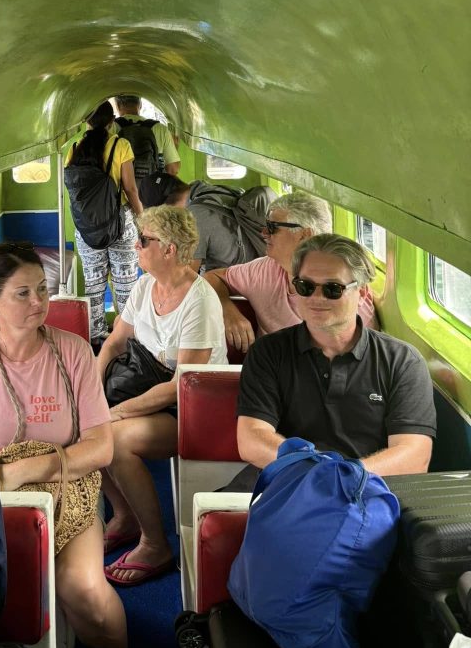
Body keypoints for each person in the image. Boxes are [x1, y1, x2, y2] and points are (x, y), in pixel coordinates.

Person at [0, 243, 149, 648]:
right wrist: (3, 481)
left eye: (43, 290)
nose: (38, 302)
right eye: (22, 293)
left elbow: (101, 447)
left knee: (85, 591)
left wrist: (36, 467)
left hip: (70, 490)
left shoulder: (73, 352)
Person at [97, 207, 227, 586]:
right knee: (83, 423)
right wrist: (92, 393)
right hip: (151, 391)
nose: (135, 246)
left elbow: (179, 385)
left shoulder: (199, 301)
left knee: (114, 439)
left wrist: (116, 412)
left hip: (195, 407)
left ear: (169, 249)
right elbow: (114, 343)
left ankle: (155, 544)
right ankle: (125, 516)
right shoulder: (143, 288)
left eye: (143, 240)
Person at [237, 234, 436, 473]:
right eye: (306, 286)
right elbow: (252, 439)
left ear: (362, 292)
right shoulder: (268, 352)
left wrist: (346, 475)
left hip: (367, 486)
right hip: (287, 481)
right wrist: (319, 471)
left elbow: (414, 455)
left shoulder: (402, 361)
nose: (316, 298)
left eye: (333, 289)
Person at [203, 191, 379, 353]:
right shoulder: (266, 269)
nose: (264, 233)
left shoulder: (348, 296)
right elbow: (213, 277)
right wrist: (228, 311)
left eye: (272, 227)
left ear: (304, 235)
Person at [65, 100, 143, 349]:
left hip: (87, 226)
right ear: (112, 122)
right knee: (125, 285)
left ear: (87, 122)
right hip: (119, 223)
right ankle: (125, 339)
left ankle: (96, 339)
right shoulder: (121, 145)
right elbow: (130, 189)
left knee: (93, 284)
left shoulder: (74, 147)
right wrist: (142, 219)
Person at [139, 172, 275, 272]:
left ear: (165, 209)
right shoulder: (206, 190)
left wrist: (151, 265)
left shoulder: (193, 218)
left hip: (249, 272)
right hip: (259, 259)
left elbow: (186, 278)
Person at [113, 94, 181, 176]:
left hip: (120, 183)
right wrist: (175, 147)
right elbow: (173, 170)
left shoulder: (111, 127)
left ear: (117, 106)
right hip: (152, 183)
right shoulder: (160, 129)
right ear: (140, 105)